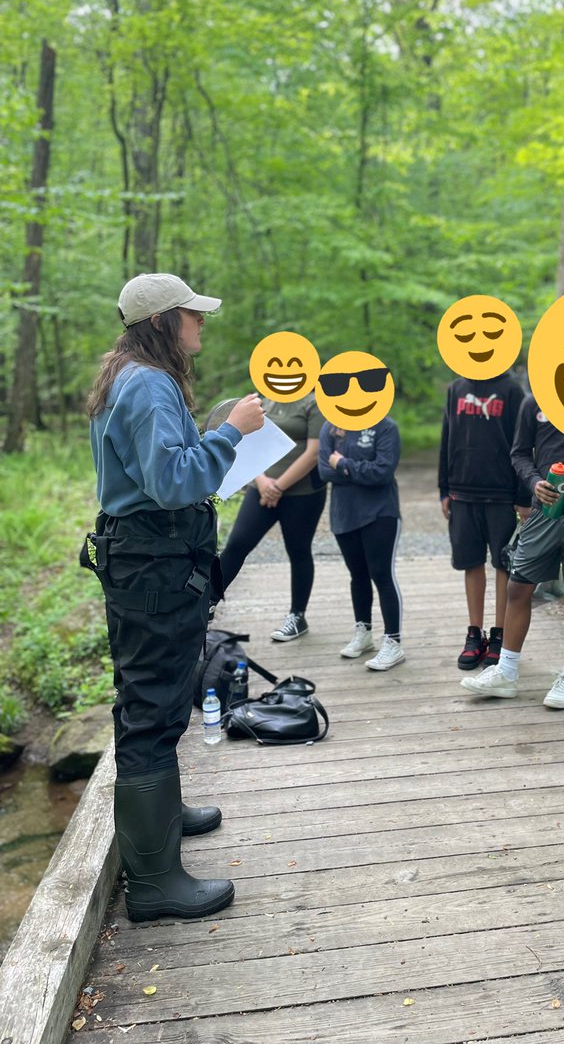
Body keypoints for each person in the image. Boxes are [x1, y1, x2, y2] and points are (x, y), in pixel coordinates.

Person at [85, 272, 264, 922]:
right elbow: (172, 482)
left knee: (152, 701)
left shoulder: (130, 375)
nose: (200, 322)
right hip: (153, 566)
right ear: (163, 321)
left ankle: (162, 815)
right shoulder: (149, 385)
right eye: (192, 314)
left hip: (145, 562)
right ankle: (155, 882)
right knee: (152, 710)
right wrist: (232, 432)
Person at [460, 394, 564, 708]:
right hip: (544, 511)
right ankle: (506, 670)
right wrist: (534, 482)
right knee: (518, 588)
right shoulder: (535, 402)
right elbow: (519, 453)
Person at [217, 390, 326, 641]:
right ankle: (205, 604)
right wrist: (263, 481)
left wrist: (278, 486)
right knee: (237, 545)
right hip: (260, 488)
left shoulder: (314, 403)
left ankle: (297, 616)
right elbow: (248, 443)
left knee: (298, 551)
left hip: (303, 493)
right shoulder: (264, 399)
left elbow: (314, 453)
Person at [438, 369, 527, 668]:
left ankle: (499, 633)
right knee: (470, 562)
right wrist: (444, 489)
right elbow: (447, 438)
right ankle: (474, 633)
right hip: (462, 491)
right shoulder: (456, 389)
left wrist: (522, 496)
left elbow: (523, 445)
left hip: (502, 493)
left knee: (503, 564)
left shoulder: (512, 390)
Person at [318, 416, 405, 670]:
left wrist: (343, 464)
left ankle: (393, 642)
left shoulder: (386, 427)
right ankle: (364, 633)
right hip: (344, 514)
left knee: (382, 575)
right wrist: (358, 470)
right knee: (358, 575)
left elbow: (383, 472)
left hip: (380, 513)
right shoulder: (330, 426)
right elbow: (324, 470)